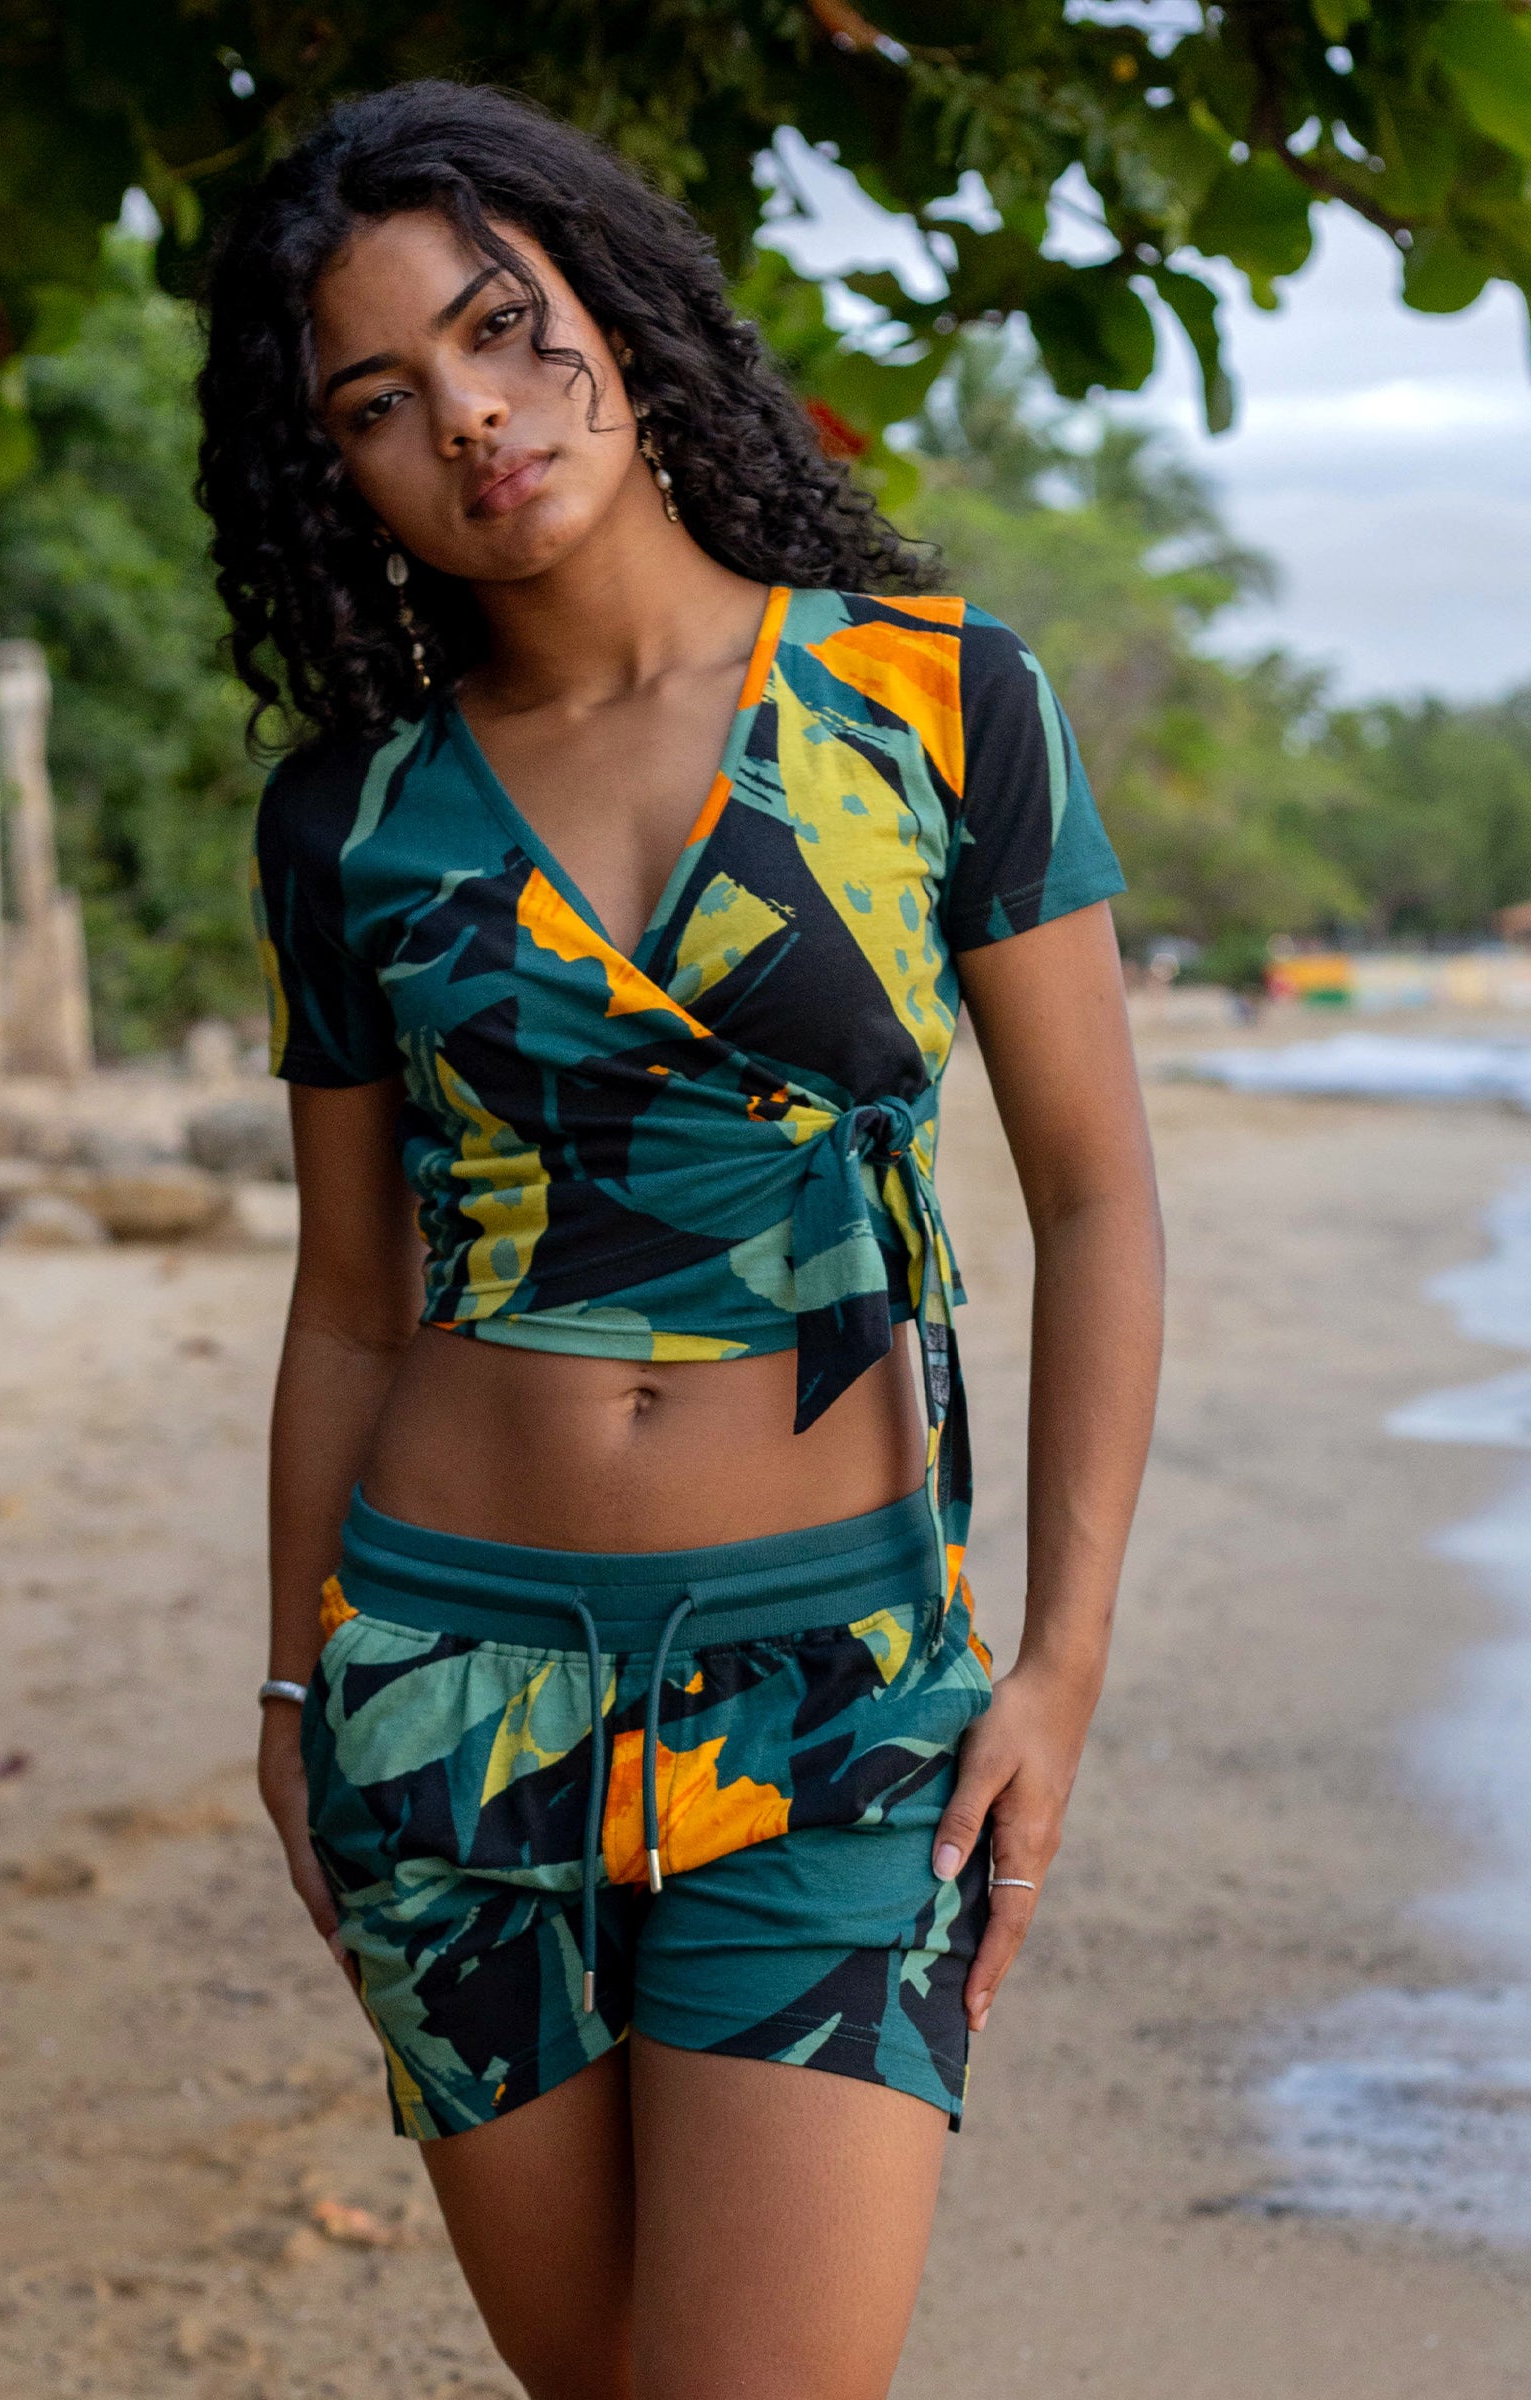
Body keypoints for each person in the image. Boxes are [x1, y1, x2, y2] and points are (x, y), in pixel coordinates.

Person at [197, 79, 1163, 2400]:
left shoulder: (937, 700)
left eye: (507, 331)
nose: (478, 420)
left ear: (613, 319)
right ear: (336, 475)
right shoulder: (354, 822)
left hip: (833, 1695)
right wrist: (292, 1684)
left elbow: (1101, 1194)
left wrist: (1060, 1665)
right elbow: (350, 1297)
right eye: (384, 404)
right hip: (445, 1680)